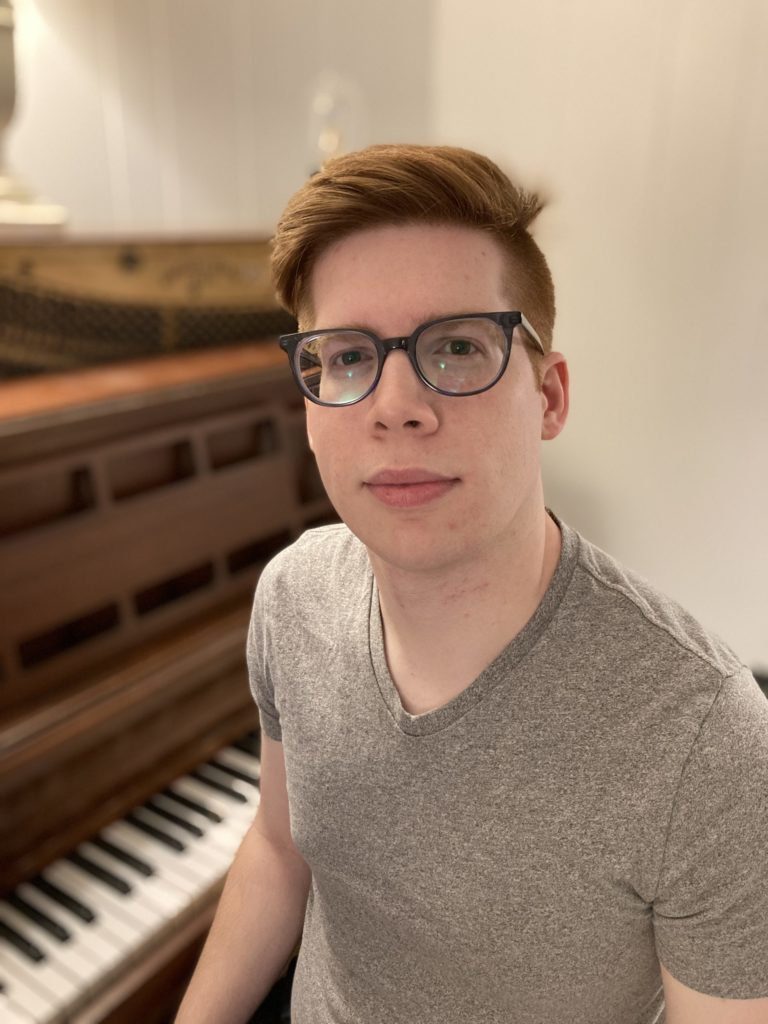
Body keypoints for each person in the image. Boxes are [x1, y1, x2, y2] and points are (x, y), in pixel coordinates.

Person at [175, 144, 768, 1024]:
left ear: (550, 396)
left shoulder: (707, 741)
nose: (396, 405)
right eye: (346, 357)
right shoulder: (292, 595)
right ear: (308, 405)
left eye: (456, 347)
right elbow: (276, 847)